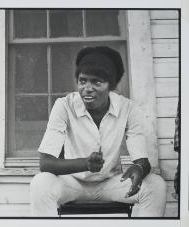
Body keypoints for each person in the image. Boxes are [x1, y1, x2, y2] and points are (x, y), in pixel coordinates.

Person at [30, 46, 166, 217]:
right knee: (40, 183)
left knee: (156, 185)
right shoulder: (64, 105)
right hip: (72, 183)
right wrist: (85, 164)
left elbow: (142, 161)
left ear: (111, 85)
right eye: (82, 80)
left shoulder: (127, 108)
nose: (87, 88)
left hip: (111, 183)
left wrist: (139, 168)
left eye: (97, 82)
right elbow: (46, 163)